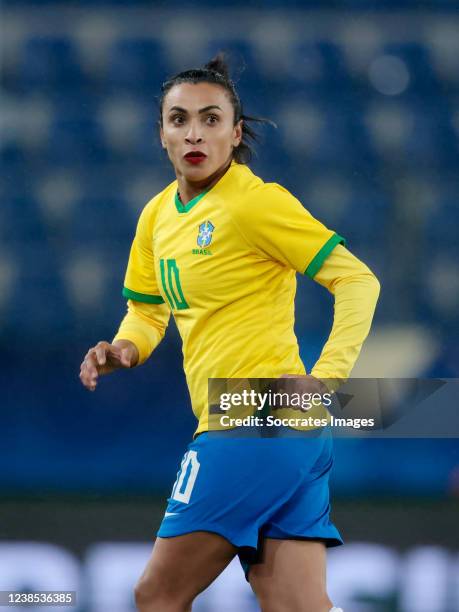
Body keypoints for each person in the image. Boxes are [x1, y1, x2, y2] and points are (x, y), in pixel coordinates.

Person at [79, 54, 380, 612]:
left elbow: (358, 281)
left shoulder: (254, 203)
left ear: (235, 133)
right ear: (162, 134)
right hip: (287, 431)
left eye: (211, 119)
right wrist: (125, 348)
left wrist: (327, 377)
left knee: (157, 594)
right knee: (296, 605)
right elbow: (148, 311)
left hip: (250, 416)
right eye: (179, 119)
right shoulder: (156, 217)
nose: (194, 132)